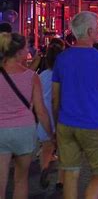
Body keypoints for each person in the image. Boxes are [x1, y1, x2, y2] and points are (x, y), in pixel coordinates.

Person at [52, 11, 98, 199]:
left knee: (70, 174)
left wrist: (57, 121)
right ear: (89, 31)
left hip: (66, 123)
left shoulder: (62, 58)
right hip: (94, 124)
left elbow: (55, 97)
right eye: (97, 29)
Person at [0, 32, 53, 199]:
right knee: (21, 180)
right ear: (19, 52)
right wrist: (50, 133)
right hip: (24, 130)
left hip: (1, 129)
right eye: (25, 48)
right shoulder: (31, 77)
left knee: (0, 181)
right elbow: (41, 110)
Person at [37, 40, 66, 189]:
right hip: (61, 114)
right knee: (64, 148)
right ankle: (60, 179)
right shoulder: (64, 75)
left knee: (46, 146)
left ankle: (44, 167)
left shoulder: (42, 76)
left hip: (44, 113)